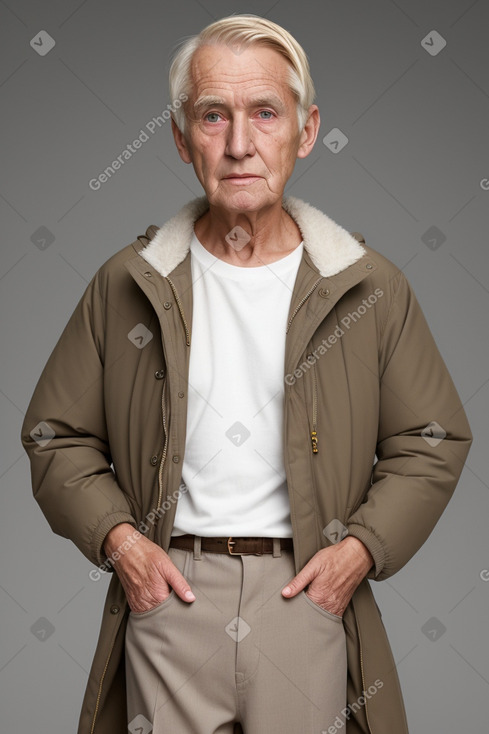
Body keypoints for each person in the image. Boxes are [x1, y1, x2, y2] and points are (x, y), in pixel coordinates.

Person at [21, 14, 472, 734]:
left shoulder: (367, 285)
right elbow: (54, 435)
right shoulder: (127, 282)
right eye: (212, 115)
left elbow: (433, 436)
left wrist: (358, 551)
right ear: (179, 137)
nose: (238, 143)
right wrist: (123, 544)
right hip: (171, 598)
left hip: (306, 596)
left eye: (264, 112)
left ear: (305, 129)